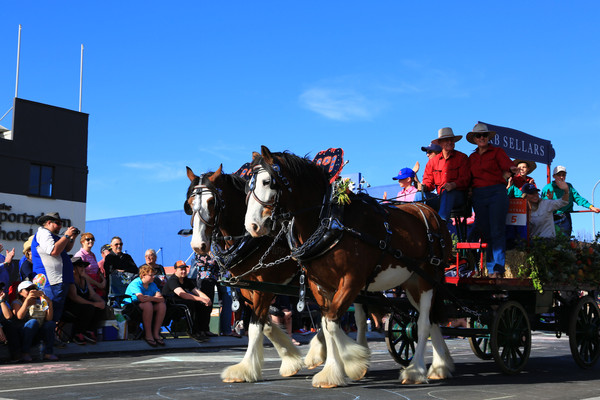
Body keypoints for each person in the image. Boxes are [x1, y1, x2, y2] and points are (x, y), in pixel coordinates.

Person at [467, 123, 518, 278]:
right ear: (474, 139)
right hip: (478, 195)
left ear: (488, 137)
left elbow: (507, 165)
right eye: (478, 136)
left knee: (497, 230)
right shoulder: (472, 157)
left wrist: (512, 169)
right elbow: (468, 177)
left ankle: (498, 269)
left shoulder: (497, 152)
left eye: (484, 135)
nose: (481, 138)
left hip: (496, 192)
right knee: (485, 231)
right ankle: (491, 269)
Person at [31, 212, 79, 322]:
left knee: (56, 311)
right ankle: (47, 337)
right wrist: (66, 235)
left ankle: (52, 335)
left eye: (61, 223)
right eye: (58, 223)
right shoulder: (43, 233)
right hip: (50, 280)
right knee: (50, 311)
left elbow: (65, 249)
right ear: (48, 223)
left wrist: (71, 238)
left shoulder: (53, 236)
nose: (60, 226)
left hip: (59, 280)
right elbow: (54, 251)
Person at [422, 127, 470, 221]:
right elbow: (429, 183)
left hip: (458, 197)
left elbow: (466, 179)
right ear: (440, 143)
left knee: (448, 192)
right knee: (419, 195)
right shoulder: (432, 162)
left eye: (451, 140)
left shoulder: (462, 158)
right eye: (446, 140)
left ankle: (441, 223)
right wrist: (423, 187)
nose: (449, 142)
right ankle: (419, 226)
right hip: (440, 198)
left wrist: (453, 185)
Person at [541, 166, 600, 237]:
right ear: (554, 176)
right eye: (559, 175)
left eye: (563, 175)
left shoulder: (569, 186)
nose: (561, 177)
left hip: (565, 217)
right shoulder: (547, 188)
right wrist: (548, 199)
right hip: (551, 217)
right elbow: (542, 204)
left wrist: (591, 207)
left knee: (565, 240)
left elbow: (578, 198)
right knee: (551, 239)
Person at [162, 260, 212, 342]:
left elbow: (196, 291)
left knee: (202, 304)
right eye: (181, 269)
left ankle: (203, 330)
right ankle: (193, 332)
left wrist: (207, 299)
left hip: (180, 302)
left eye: (185, 269)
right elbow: (182, 294)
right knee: (190, 304)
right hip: (170, 305)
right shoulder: (173, 280)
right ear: (175, 270)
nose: (184, 271)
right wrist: (201, 299)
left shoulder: (186, 280)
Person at [11, 280, 58, 361]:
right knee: (33, 322)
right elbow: (19, 316)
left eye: (34, 289)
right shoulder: (17, 302)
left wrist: (49, 303)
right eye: (28, 289)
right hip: (24, 333)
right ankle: (25, 352)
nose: (31, 291)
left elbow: (49, 318)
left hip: (38, 331)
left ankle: (48, 353)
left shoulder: (40, 302)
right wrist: (27, 300)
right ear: (20, 292)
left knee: (50, 324)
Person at [64, 256, 106, 345]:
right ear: (73, 268)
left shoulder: (84, 279)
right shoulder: (70, 280)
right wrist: (94, 304)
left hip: (83, 305)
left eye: (83, 266)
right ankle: (77, 334)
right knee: (89, 308)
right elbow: (74, 297)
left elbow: (92, 294)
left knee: (101, 306)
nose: (83, 268)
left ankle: (88, 331)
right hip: (71, 306)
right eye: (80, 266)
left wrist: (101, 302)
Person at [124, 264, 166, 347]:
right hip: (130, 307)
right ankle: (148, 334)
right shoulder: (135, 283)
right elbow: (141, 298)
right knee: (148, 305)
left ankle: (156, 334)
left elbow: (161, 299)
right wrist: (154, 298)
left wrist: (150, 298)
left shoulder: (152, 284)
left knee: (162, 305)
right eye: (151, 275)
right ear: (143, 275)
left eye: (154, 275)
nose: (154, 277)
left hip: (145, 305)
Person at [74, 232, 106, 298]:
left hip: (96, 287)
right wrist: (98, 284)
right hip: (87, 288)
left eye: (92, 239)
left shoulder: (92, 254)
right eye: (88, 239)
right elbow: (82, 274)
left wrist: (103, 280)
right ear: (82, 242)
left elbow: (97, 270)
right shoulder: (80, 255)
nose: (90, 241)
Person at [195, 254, 219, 337]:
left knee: (209, 305)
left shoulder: (214, 253)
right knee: (202, 305)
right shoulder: (199, 254)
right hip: (202, 281)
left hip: (212, 281)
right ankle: (200, 330)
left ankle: (206, 329)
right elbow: (201, 265)